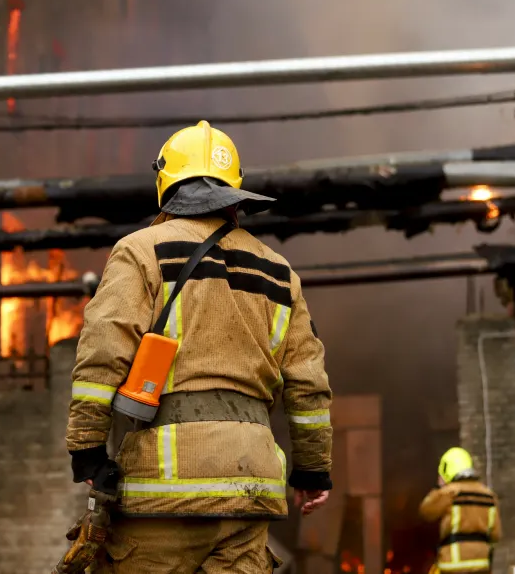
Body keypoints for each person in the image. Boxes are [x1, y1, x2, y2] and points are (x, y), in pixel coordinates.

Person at [64, 121, 333, 573]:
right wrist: (312, 472)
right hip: (250, 489)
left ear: (165, 182)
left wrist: (87, 449)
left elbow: (103, 351)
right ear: (234, 185)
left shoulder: (140, 251)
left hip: (163, 490)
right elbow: (308, 384)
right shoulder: (279, 272)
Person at [419, 447, 502, 574]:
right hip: (481, 565)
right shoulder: (489, 495)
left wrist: (439, 487)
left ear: (446, 470)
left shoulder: (449, 492)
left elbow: (426, 511)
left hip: (453, 564)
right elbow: (496, 534)